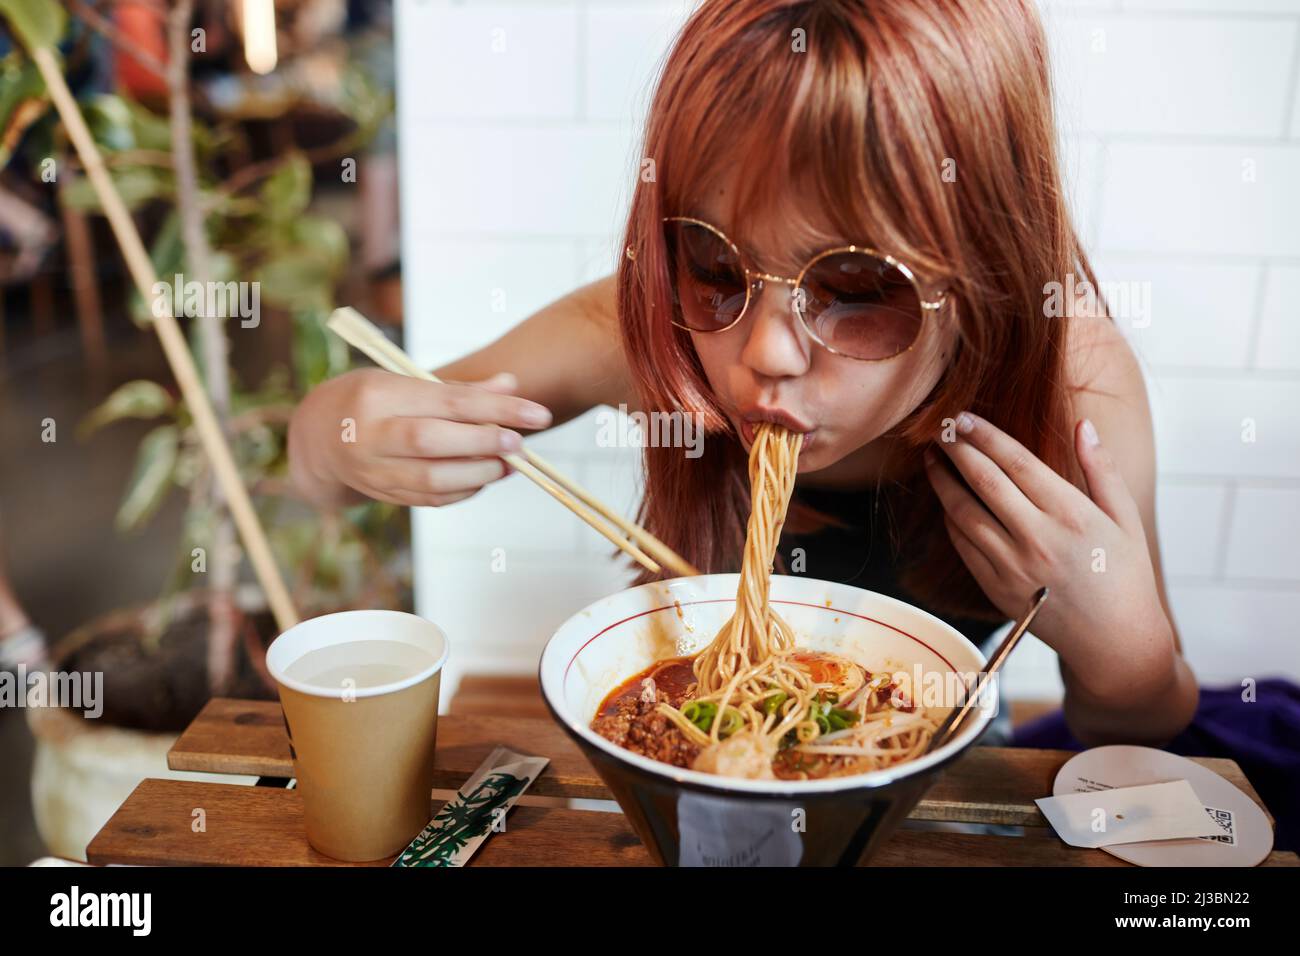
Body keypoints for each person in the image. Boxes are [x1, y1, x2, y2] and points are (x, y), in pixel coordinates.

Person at [288, 0, 1198, 748]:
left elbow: (1140, 731)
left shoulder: (1072, 392)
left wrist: (1127, 662)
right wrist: (337, 433)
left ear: (985, 268)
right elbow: (315, 466)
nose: (767, 351)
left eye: (858, 288)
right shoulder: (651, 326)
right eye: (716, 266)